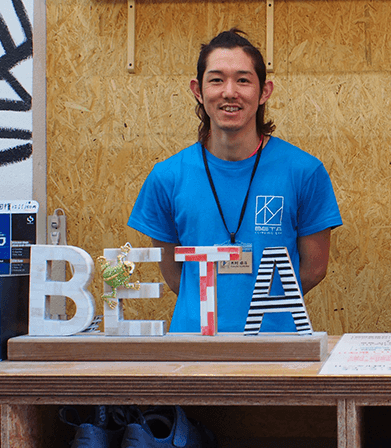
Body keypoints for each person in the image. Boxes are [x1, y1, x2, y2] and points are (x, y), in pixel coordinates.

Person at [128, 29, 342, 333]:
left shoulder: (304, 171)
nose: (230, 92)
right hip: (193, 346)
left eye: (243, 80)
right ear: (198, 90)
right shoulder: (167, 177)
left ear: (264, 91)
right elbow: (176, 276)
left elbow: (314, 269)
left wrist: (262, 310)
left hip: (277, 346)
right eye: (216, 80)